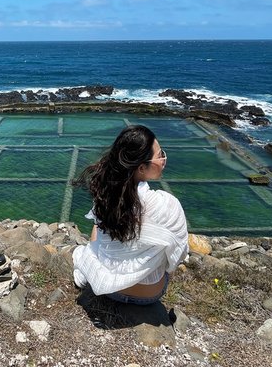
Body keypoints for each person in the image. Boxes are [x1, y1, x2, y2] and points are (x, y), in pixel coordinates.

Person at [72, 124, 188, 305]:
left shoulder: (108, 196)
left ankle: (96, 270)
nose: (164, 159)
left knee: (98, 224)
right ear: (141, 168)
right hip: (149, 295)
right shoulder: (166, 204)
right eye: (160, 155)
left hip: (109, 290)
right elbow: (178, 255)